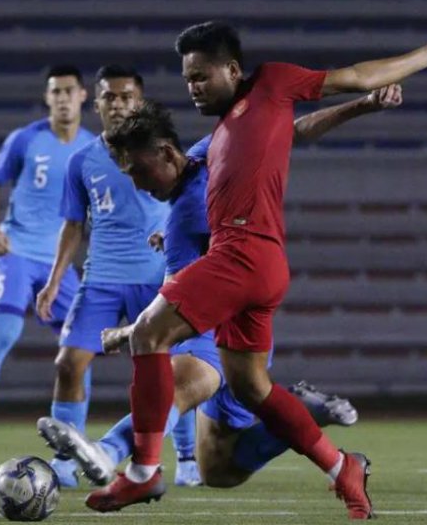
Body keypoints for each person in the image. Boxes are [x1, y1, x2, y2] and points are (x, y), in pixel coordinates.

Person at [86, 21, 427, 519]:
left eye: (201, 75)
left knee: (149, 334)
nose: (193, 87)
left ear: (233, 69)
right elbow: (294, 131)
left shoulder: (272, 83)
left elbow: (357, 74)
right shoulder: (218, 137)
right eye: (187, 79)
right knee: (251, 387)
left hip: (241, 254)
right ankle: (340, 466)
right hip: (260, 264)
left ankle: (142, 473)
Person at [39, 86, 403, 489]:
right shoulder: (206, 155)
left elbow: (175, 298)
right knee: (219, 469)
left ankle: (107, 451)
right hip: (244, 317)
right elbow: (293, 132)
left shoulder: (185, 210)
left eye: (139, 172)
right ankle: (300, 412)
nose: (139, 185)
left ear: (165, 153)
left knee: (176, 389)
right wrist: (363, 106)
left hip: (220, 321)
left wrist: (128, 331)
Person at [34, 65, 198, 488]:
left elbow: (188, 199)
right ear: (98, 101)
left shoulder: (162, 152)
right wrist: (55, 281)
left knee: (171, 368)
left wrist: (173, 232)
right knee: (68, 364)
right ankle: (67, 459)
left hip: (158, 276)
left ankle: (186, 456)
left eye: (127, 96)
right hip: (102, 278)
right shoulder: (82, 161)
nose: (119, 104)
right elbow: (74, 225)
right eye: (110, 96)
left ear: (139, 103)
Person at [0, 65, 94, 460]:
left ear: (83, 96)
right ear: (47, 97)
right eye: (55, 92)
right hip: (16, 252)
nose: (63, 98)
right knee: (2, 335)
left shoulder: (92, 147)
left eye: (69, 91)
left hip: (59, 265)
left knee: (80, 348)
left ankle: (75, 443)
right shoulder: (26, 140)